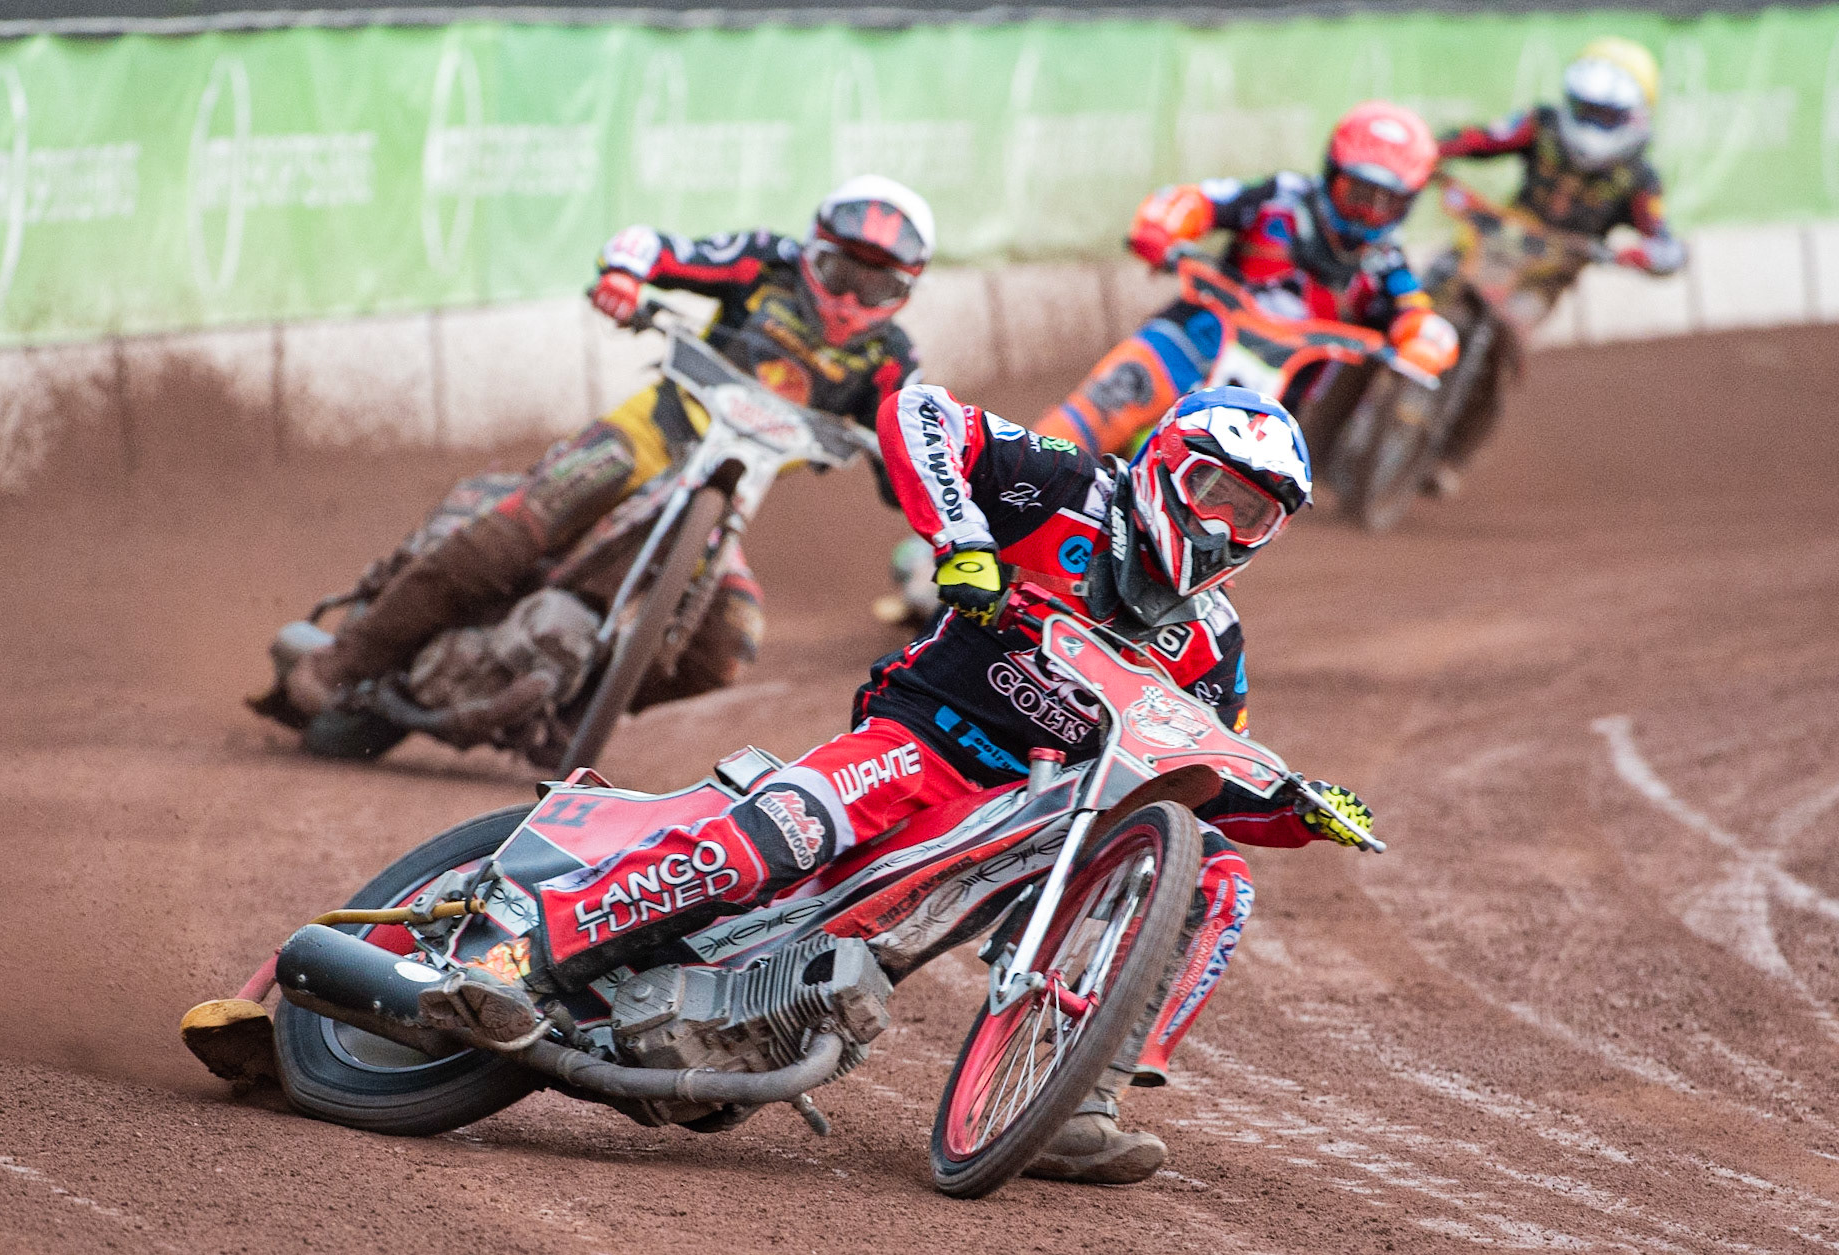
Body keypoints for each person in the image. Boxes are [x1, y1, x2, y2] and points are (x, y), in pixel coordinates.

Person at [452, 381, 1376, 1185]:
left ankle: (1081, 1101)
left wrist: (1294, 812)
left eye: (1252, 514)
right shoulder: (1068, 489)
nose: (1223, 526)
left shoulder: (1214, 645)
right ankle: (519, 958)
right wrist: (961, 536)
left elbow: (1203, 777)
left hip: (1028, 821)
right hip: (924, 739)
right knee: (789, 834)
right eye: (1214, 492)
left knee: (1214, 872)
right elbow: (919, 415)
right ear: (1169, 464)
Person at [281, 176, 933, 721]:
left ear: (902, 292)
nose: (849, 297)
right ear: (814, 251)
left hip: (725, 500)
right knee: (514, 533)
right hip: (647, 437)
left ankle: (574, 706)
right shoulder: (766, 263)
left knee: (728, 642)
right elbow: (654, 246)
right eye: (841, 270)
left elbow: (912, 454)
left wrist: (926, 491)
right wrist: (625, 272)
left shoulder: (891, 361)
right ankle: (344, 661)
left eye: (874, 286)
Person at [1037, 101, 1458, 460]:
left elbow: (1417, 315)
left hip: (1270, 404)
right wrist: (1164, 228)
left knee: (1224, 506)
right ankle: (1007, 499)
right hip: (1196, 336)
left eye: (1387, 204)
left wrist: (1422, 344)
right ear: (1333, 174)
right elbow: (1199, 201)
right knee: (1108, 403)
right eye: (1359, 195)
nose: (1368, 213)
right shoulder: (1280, 197)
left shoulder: (1386, 263)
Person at [1427, 36, 1684, 493]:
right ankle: (1345, 385)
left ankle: (1451, 456)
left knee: (1500, 355)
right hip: (1493, 240)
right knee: (1422, 287)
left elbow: (1663, 241)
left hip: (1546, 276)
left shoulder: (1640, 180)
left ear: (1635, 116)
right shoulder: (1540, 126)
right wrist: (1428, 151)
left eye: (1606, 115)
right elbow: (1481, 138)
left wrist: (1649, 254)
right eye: (1585, 109)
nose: (1592, 123)